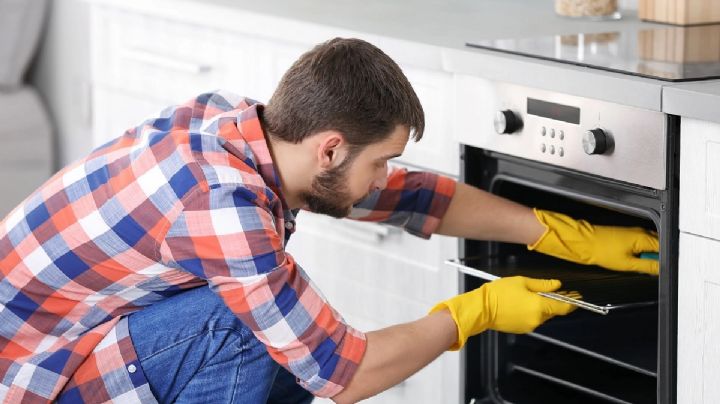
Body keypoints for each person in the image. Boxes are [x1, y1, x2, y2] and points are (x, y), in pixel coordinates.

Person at [0, 37, 659, 404]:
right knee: (242, 328)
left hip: (66, 344)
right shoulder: (225, 209)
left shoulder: (240, 125)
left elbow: (408, 196)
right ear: (331, 148)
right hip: (36, 381)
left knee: (275, 329)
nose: (386, 176)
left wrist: (554, 231)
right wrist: (474, 314)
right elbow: (343, 373)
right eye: (383, 160)